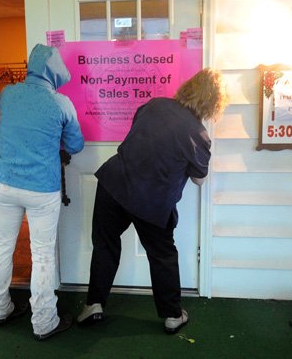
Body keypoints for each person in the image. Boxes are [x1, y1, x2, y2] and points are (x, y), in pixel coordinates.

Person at [76, 68, 228, 334]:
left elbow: (137, 132)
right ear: (214, 103)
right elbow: (199, 180)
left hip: (114, 184)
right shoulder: (199, 135)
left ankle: (94, 305)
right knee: (162, 256)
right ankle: (172, 316)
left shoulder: (155, 105)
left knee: (105, 245)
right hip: (152, 201)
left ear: (189, 88)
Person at [0, 44, 84, 341]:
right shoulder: (61, 103)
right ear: (55, 71)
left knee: (2, 245)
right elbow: (76, 145)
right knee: (42, 255)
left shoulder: (8, 94)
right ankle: (43, 323)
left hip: (4, 183)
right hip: (42, 189)